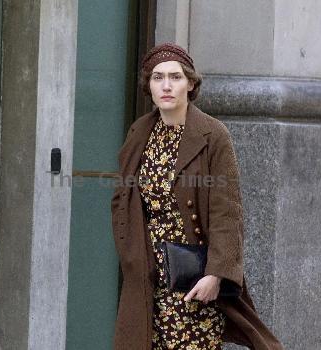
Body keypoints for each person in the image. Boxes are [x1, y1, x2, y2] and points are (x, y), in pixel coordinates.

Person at [111, 42, 283, 350]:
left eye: (175, 77)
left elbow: (226, 212)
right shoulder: (140, 133)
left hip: (194, 278)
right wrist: (131, 257)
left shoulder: (212, 134)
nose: (166, 86)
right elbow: (123, 199)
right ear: (148, 85)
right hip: (149, 276)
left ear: (190, 83)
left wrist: (216, 274)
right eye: (157, 77)